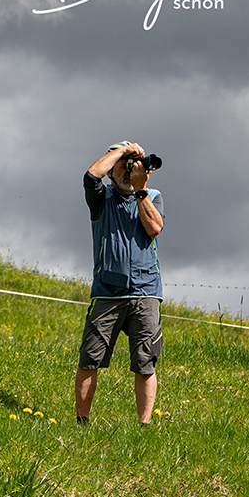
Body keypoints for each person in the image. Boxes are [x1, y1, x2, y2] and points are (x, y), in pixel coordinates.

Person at [75, 141, 165, 425]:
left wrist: (140, 191)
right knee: (90, 358)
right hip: (107, 292)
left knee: (145, 361)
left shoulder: (152, 195)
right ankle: (83, 421)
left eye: (133, 166)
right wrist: (121, 152)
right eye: (123, 167)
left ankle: (144, 425)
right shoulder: (102, 196)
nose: (128, 171)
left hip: (145, 290)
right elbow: (91, 176)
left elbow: (155, 228)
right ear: (112, 168)